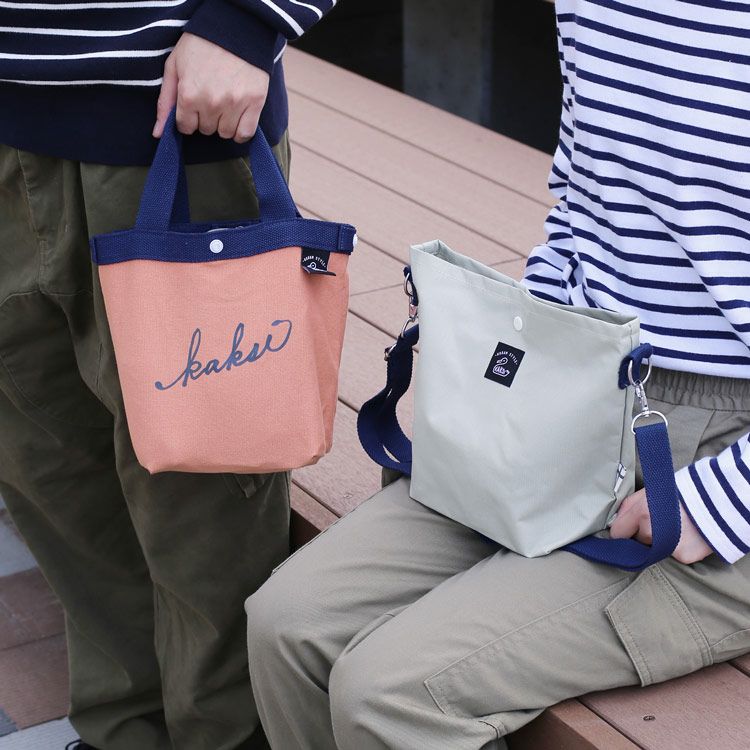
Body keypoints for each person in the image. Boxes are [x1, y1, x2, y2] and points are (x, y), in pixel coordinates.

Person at [245, 1, 750, 747]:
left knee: (390, 693)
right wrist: (524, 348)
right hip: (581, 394)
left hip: (724, 455)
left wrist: (720, 502)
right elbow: (580, 202)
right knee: (289, 627)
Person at [0, 2, 337, 749]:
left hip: (179, 120)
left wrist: (245, 24)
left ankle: (228, 739)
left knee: (206, 503)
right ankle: (121, 734)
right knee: (45, 467)